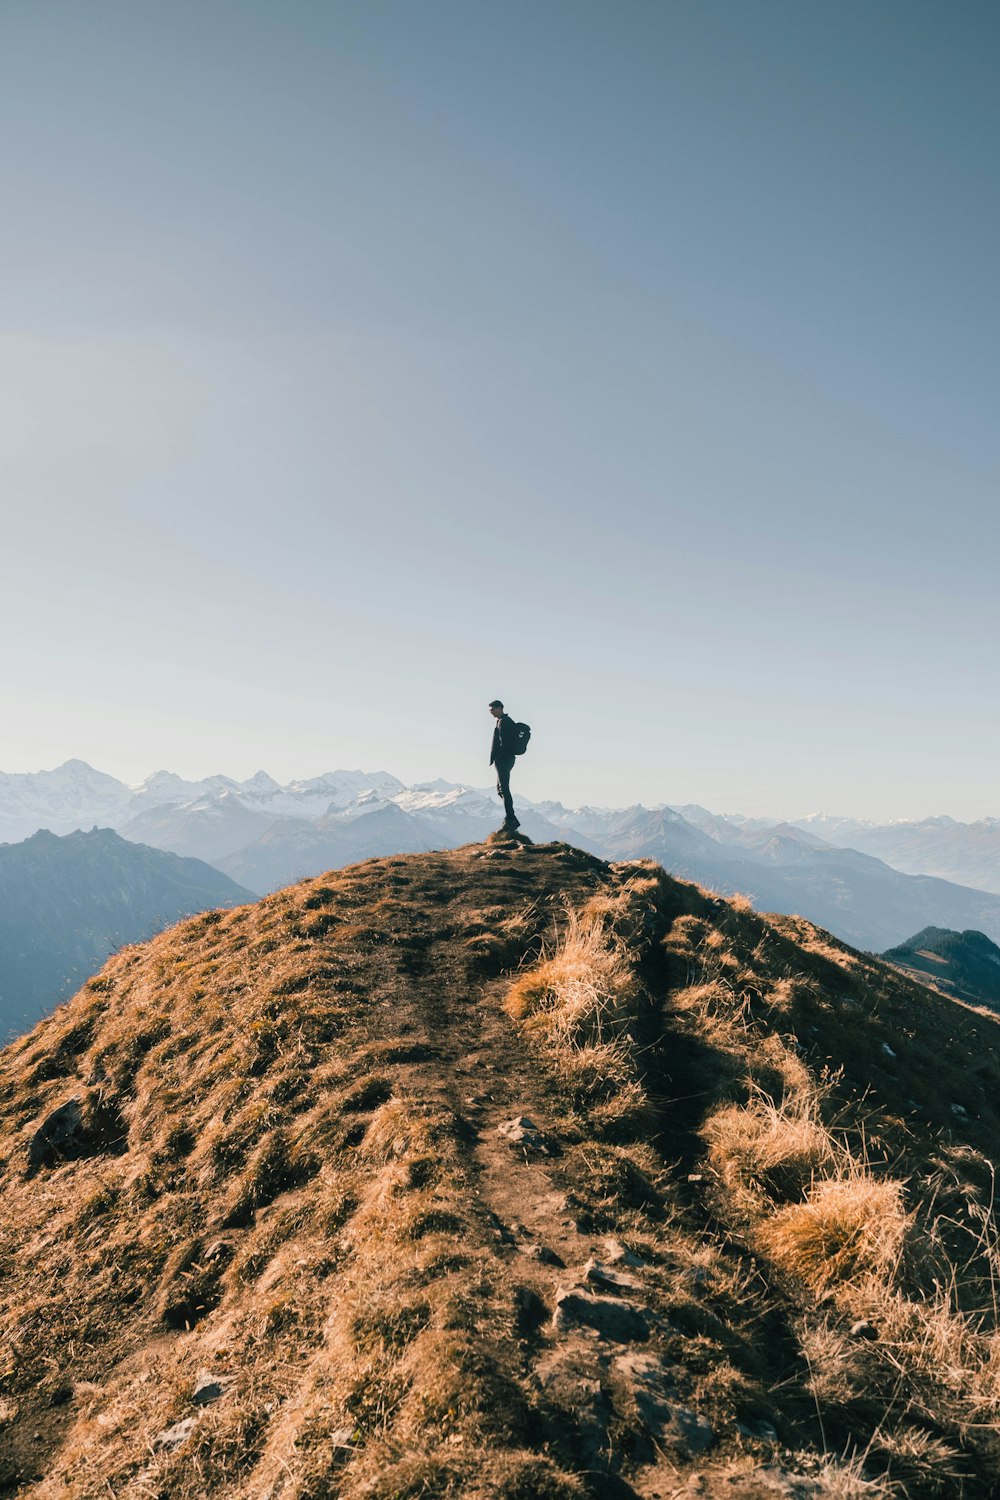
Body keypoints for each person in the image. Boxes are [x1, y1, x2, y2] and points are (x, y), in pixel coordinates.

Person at [488, 699, 520, 830]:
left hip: (503, 759)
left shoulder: (503, 722)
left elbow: (503, 742)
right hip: (507, 759)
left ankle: (511, 819)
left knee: (504, 789)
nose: (491, 713)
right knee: (501, 790)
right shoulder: (505, 721)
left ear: (500, 708)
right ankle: (511, 817)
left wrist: (499, 756)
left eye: (492, 710)